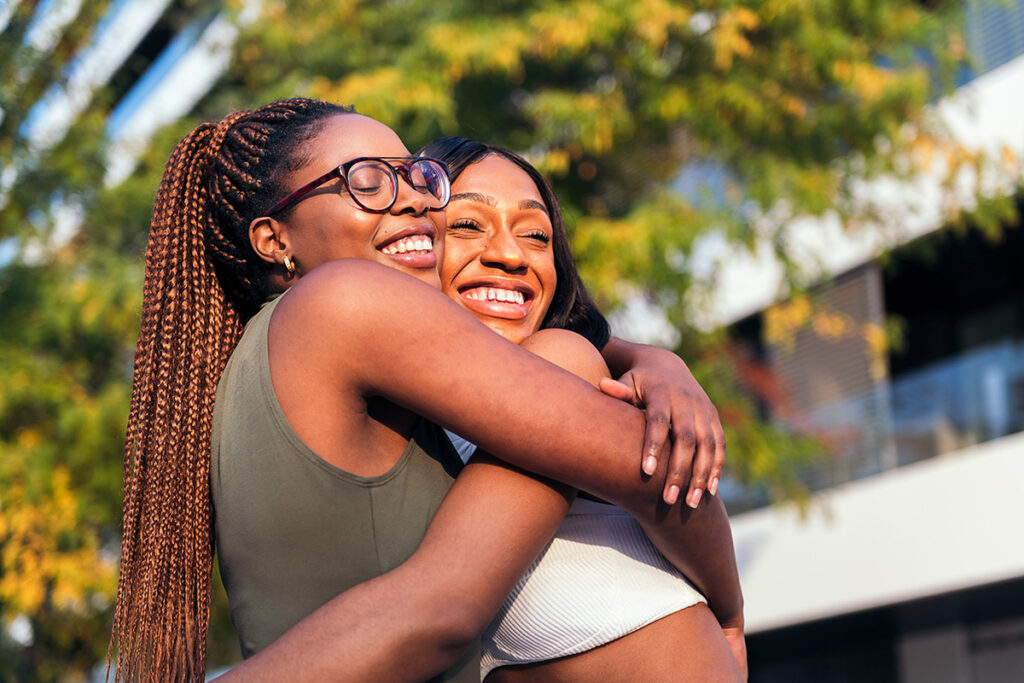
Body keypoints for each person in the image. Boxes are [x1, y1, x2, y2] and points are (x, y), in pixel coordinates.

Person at [109, 98, 740, 683]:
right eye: (369, 179)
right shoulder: (347, 300)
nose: (412, 199)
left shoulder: (260, 366)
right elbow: (654, 464)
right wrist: (731, 615)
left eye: (414, 177)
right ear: (275, 240)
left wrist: (647, 358)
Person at [420, 136, 745, 680]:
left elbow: (671, 483)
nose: (510, 254)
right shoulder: (393, 404)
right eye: (469, 225)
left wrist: (731, 615)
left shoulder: (561, 360)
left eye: (536, 235)